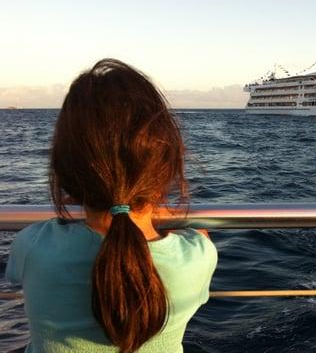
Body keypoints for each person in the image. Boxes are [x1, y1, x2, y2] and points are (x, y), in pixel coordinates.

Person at [6, 59, 217, 352]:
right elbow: (198, 240)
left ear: (66, 169)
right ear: (166, 163)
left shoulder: (32, 246)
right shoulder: (197, 256)